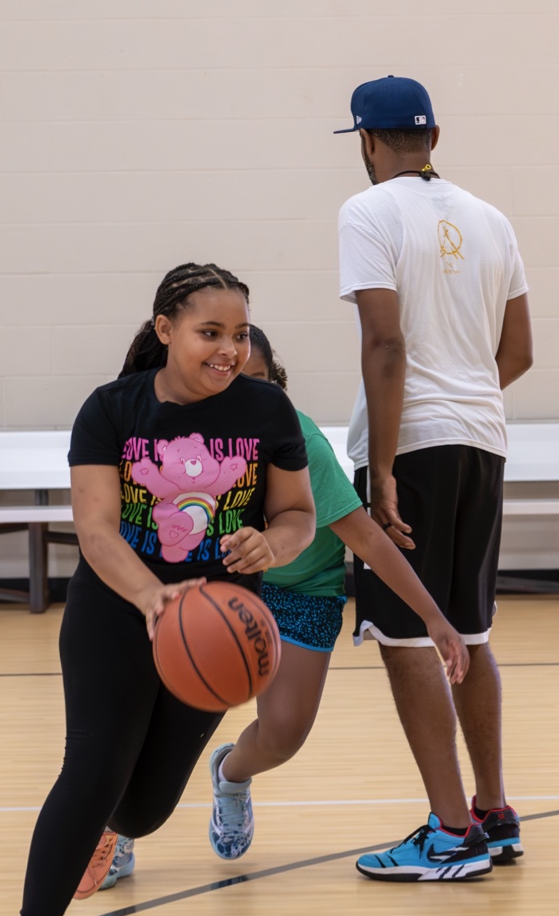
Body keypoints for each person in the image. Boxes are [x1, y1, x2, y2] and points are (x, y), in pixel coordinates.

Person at [0, 262, 315, 916]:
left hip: (223, 628)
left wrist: (273, 545)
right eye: (210, 333)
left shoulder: (268, 410)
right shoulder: (111, 410)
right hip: (117, 612)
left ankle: (114, 832)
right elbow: (97, 530)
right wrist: (152, 597)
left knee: (142, 810)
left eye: (238, 334)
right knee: (94, 765)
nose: (229, 349)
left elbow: (297, 514)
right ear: (166, 330)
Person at [333, 75, 535, 880]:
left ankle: (451, 833)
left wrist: (381, 466)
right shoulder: (492, 219)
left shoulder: (366, 212)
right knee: (471, 630)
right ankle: (492, 809)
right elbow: (517, 353)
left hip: (409, 446)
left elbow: (384, 345)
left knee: (407, 636)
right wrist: (462, 400)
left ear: (366, 143)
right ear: (435, 138)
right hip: (483, 439)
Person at [196, 326, 469, 864]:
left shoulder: (301, 446)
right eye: (233, 384)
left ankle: (230, 775)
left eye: (258, 384)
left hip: (305, 588)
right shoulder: (193, 440)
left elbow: (367, 536)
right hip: (228, 584)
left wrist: (433, 617)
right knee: (170, 714)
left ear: (276, 387)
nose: (245, 398)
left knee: (284, 734)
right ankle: (118, 826)